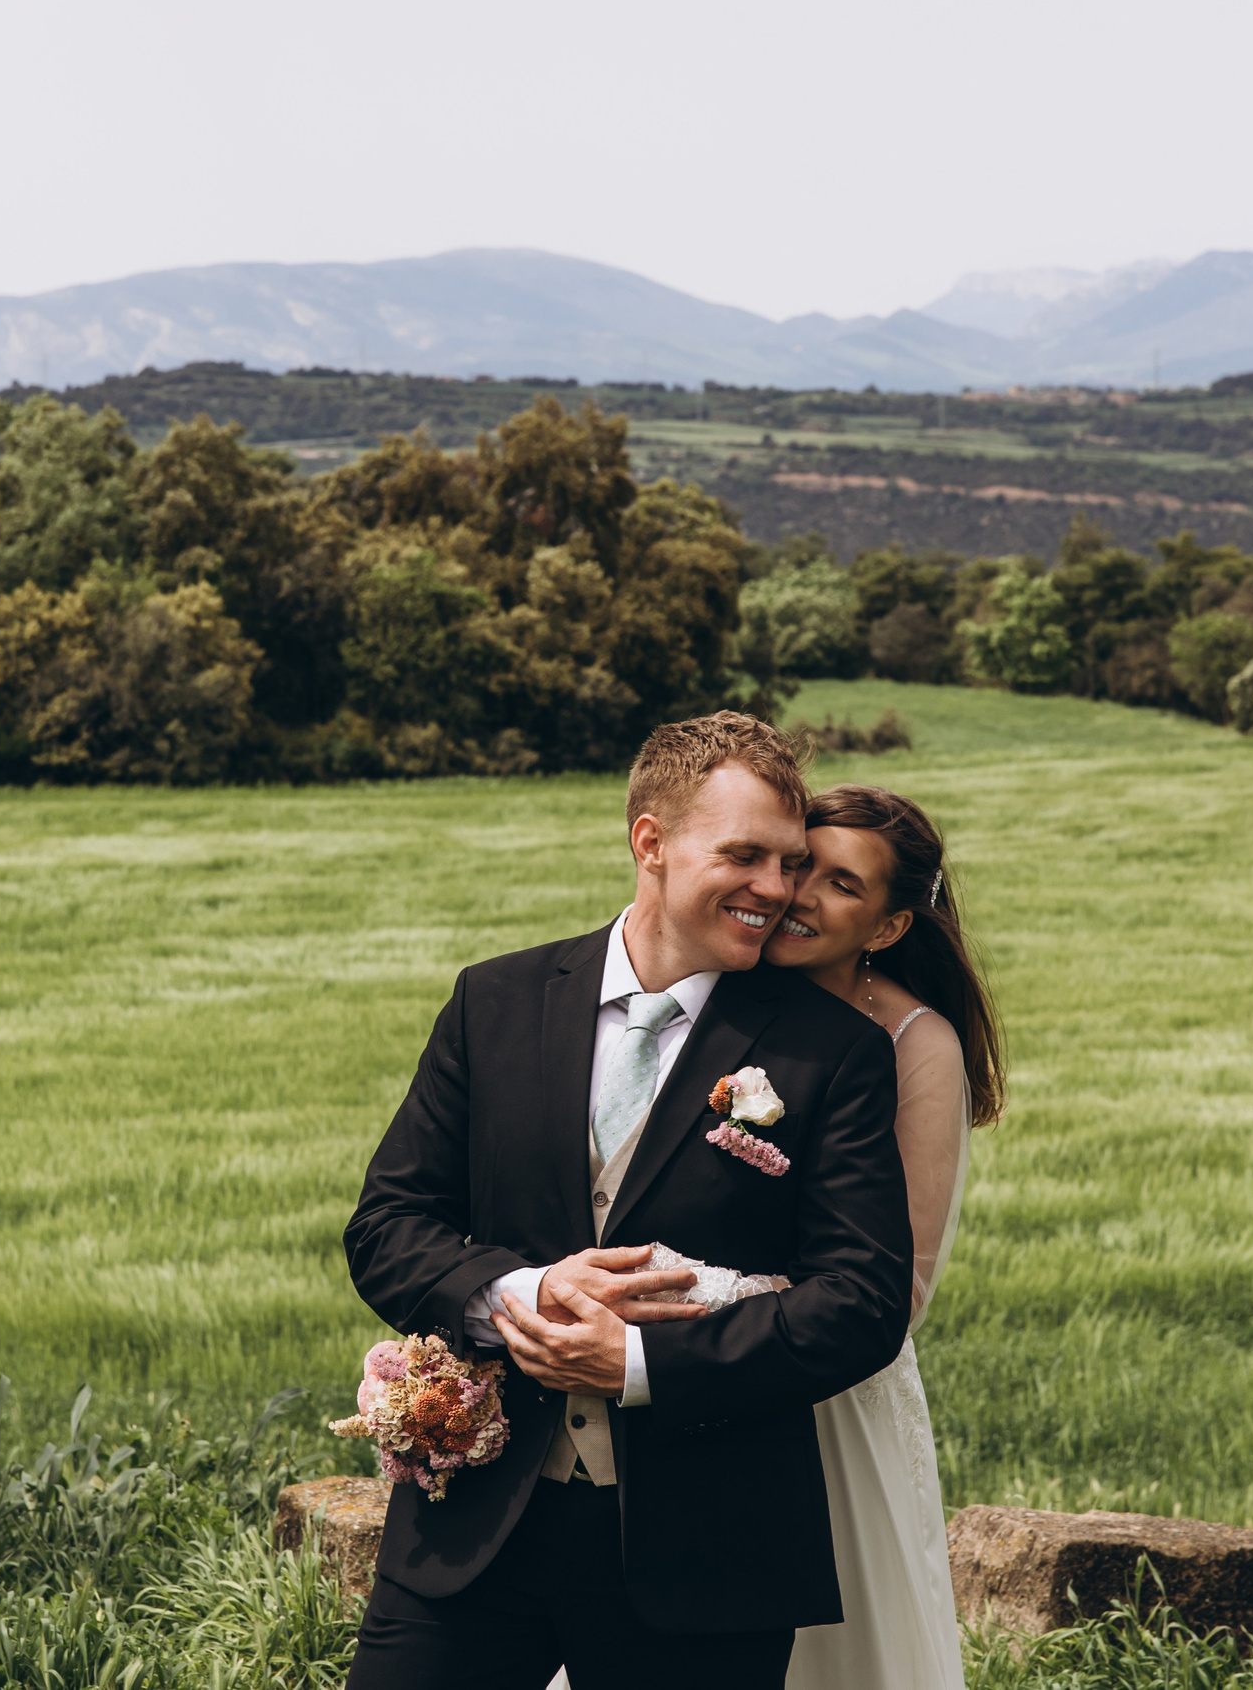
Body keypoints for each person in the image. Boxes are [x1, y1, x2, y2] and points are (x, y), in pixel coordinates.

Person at [342, 713, 914, 1690]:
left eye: (788, 862)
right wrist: (515, 1293)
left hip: (712, 1551)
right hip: (474, 1533)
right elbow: (389, 1225)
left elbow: (862, 1303)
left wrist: (640, 1359)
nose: (775, 890)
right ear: (650, 842)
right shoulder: (495, 1003)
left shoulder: (835, 1055)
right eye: (744, 856)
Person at [763, 784, 1005, 1690]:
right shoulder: (727, 993)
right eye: (796, 866)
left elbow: (898, 1285)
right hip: (672, 1378)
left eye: (839, 883)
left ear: (890, 925)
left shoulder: (916, 1041)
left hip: (827, 1389)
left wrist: (723, 1308)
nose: (798, 895)